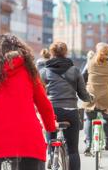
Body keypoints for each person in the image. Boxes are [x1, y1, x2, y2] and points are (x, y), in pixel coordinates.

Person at [0, 34, 56, 170]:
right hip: (27, 136)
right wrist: (50, 127)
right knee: (33, 158)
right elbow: (43, 104)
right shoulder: (29, 72)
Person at [40, 41, 93, 170]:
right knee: (73, 150)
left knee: (50, 138)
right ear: (66, 53)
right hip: (70, 111)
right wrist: (91, 98)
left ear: (51, 53)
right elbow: (83, 94)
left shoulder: (44, 72)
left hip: (51, 111)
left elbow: (39, 94)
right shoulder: (75, 70)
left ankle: (52, 156)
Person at [82, 42, 108, 155]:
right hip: (106, 98)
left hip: (91, 96)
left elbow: (82, 77)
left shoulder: (89, 63)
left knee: (89, 118)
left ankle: (88, 144)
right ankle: (107, 143)